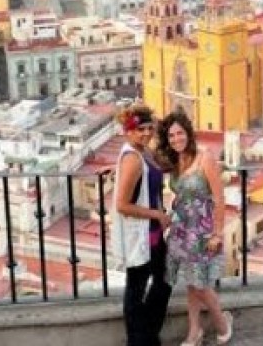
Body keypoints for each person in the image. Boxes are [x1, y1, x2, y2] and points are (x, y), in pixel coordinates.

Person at [157, 111, 233, 346]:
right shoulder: (174, 162)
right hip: (180, 231)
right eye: (171, 135)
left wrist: (217, 233)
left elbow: (219, 198)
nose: (176, 139)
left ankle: (221, 322)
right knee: (191, 283)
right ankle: (194, 331)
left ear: (188, 133)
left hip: (201, 232)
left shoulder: (205, 158)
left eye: (180, 133)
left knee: (199, 284)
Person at [113, 104, 172, 346]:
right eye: (140, 129)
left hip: (151, 233)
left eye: (149, 128)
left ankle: (145, 337)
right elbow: (122, 205)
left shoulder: (142, 152)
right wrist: (157, 214)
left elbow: (158, 169)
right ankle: (141, 340)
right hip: (144, 232)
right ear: (128, 131)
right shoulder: (133, 159)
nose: (146, 133)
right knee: (138, 288)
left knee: (160, 280)